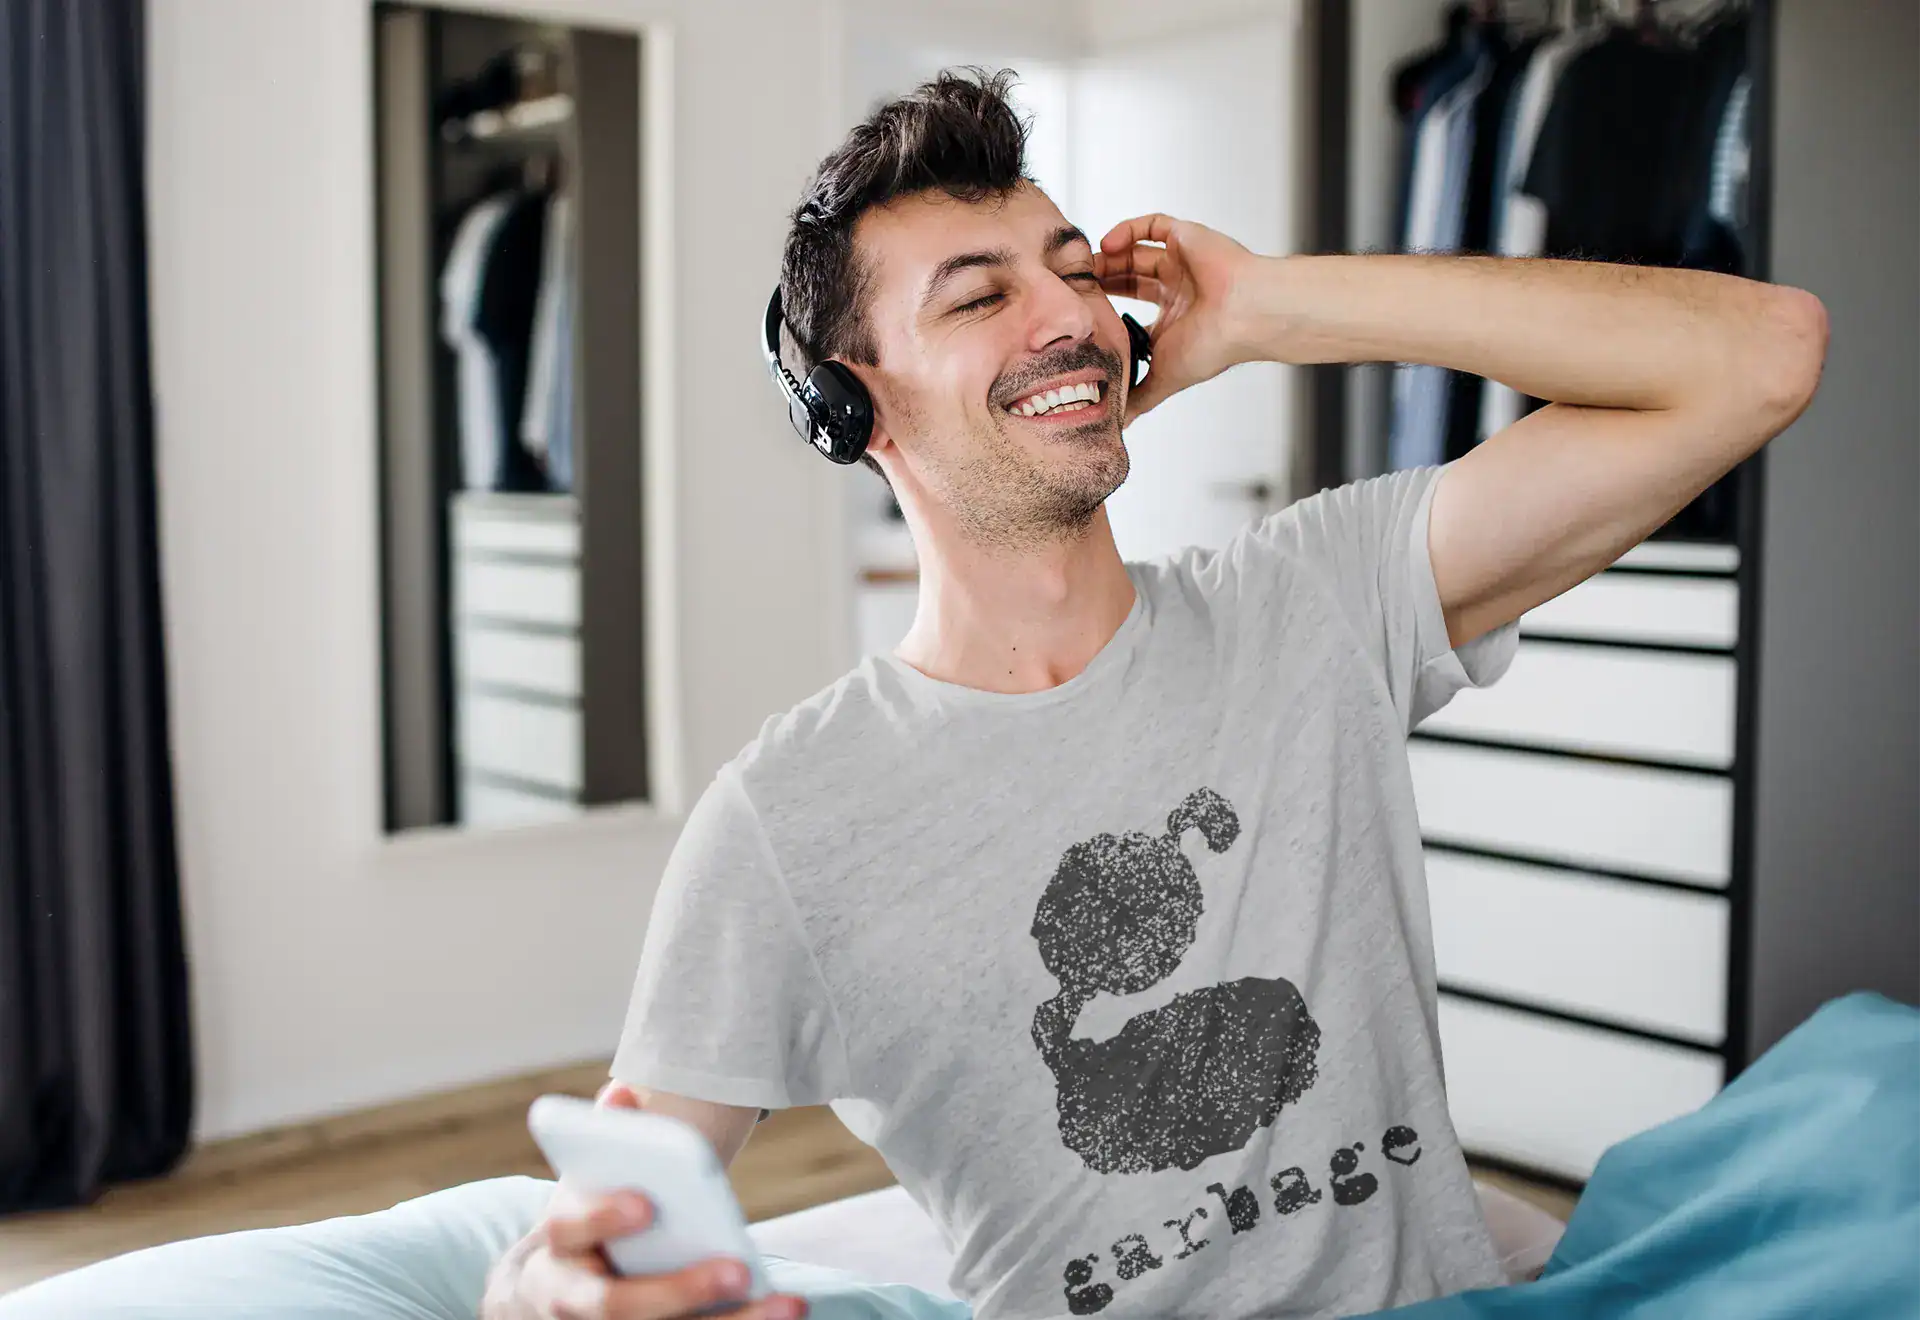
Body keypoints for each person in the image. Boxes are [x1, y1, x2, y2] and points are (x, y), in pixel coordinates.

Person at [482, 68, 1826, 1320]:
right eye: (979, 297)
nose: (1067, 315)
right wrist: (542, 1284)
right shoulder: (788, 820)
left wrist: (1272, 308)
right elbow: (605, 1222)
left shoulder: (1316, 599)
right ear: (852, 407)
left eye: (1075, 273)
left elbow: (1764, 357)